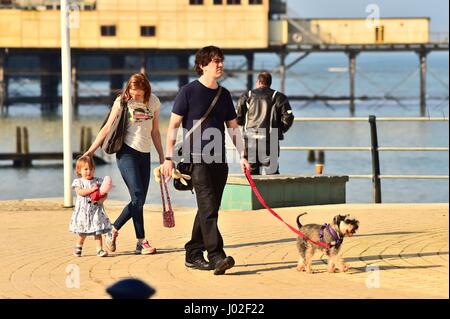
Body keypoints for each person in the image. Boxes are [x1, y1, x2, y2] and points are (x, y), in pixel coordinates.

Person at [161, 46, 250, 275]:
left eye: (221, 60)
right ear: (202, 65)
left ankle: (192, 252)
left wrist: (243, 156)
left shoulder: (225, 95)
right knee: (208, 208)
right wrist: (168, 158)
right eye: (214, 61)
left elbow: (233, 129)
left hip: (219, 161)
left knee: (209, 209)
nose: (219, 65)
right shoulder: (188, 92)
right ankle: (216, 255)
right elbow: (172, 127)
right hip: (196, 160)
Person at [83, 73, 165, 255]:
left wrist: (162, 156)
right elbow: (106, 128)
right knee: (137, 196)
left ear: (146, 90)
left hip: (145, 155)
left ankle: (113, 230)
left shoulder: (153, 102)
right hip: (126, 153)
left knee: (140, 200)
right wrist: (90, 151)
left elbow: (155, 131)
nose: (134, 97)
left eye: (138, 94)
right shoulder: (122, 101)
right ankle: (141, 241)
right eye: (132, 93)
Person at [236, 71, 294, 175]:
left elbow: (238, 117)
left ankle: (253, 192)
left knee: (251, 174)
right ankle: (271, 191)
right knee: (272, 174)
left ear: (258, 82)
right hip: (271, 139)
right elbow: (288, 117)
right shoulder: (278, 96)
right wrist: (280, 130)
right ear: (270, 83)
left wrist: (244, 126)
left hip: (250, 140)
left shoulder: (247, 95)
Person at [69, 156, 112, 257]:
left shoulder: (98, 181)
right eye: (86, 169)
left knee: (97, 231)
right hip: (83, 212)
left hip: (96, 210)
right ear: (79, 170)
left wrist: (102, 198)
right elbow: (80, 192)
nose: (89, 171)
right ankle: (78, 247)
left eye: (91, 169)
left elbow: (104, 192)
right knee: (83, 232)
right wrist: (91, 190)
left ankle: (99, 250)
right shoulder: (78, 182)